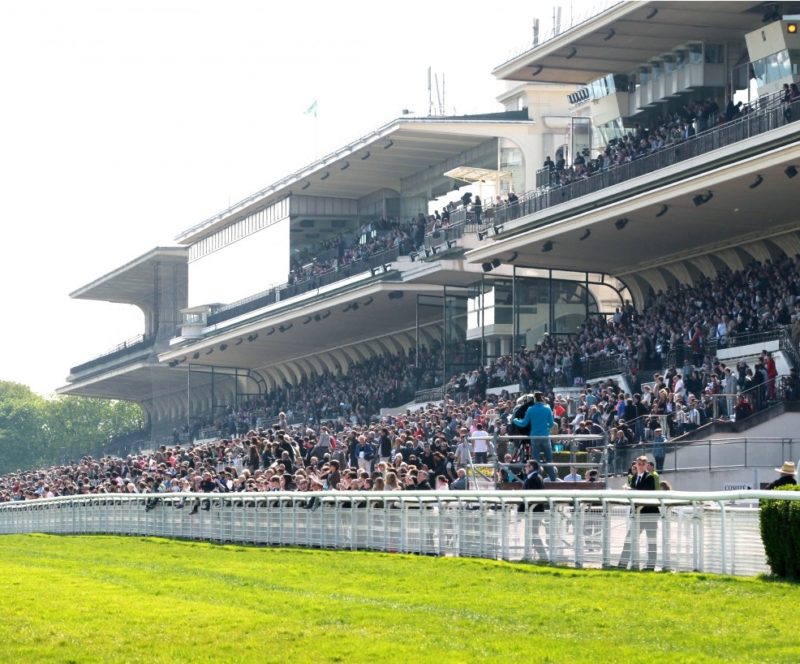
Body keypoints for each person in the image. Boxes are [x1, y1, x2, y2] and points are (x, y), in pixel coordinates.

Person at [617, 456, 658, 570]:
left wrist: (630, 490)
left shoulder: (650, 477)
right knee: (629, 539)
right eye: (638, 464)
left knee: (651, 541)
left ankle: (650, 566)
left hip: (650, 513)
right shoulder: (634, 477)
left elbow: (645, 492)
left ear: (646, 466)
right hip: (637, 514)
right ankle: (622, 564)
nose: (640, 466)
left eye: (642, 464)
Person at [513, 391, 557, 481]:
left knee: (536, 462)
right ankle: (553, 480)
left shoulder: (530, 409)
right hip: (545, 437)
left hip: (534, 437)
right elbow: (552, 424)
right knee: (549, 460)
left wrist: (515, 420)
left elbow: (523, 423)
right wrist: (546, 428)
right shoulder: (547, 408)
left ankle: (538, 480)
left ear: (534, 399)